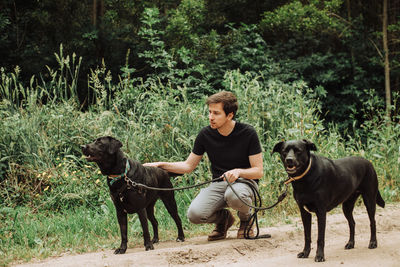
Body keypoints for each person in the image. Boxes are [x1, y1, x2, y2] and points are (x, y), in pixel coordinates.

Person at [144, 91, 263, 241]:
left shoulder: (248, 133)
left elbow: (258, 172)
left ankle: (246, 220)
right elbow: (188, 166)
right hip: (220, 184)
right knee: (194, 214)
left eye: (216, 113)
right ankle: (223, 220)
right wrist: (159, 165)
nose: (210, 117)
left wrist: (238, 172)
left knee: (233, 196)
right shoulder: (205, 134)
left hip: (245, 183)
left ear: (230, 115)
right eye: (209, 112)